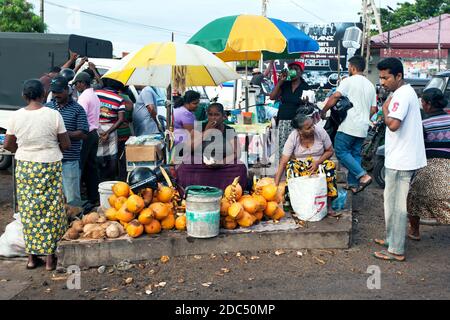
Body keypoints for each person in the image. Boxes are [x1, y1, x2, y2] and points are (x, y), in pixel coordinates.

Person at [4, 79, 71, 270]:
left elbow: (8, 144)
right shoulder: (53, 114)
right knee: (51, 210)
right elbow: (66, 144)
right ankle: (50, 260)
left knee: (29, 211)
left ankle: (31, 259)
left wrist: (26, 148)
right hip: (49, 164)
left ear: (24, 96)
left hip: (26, 166)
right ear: (43, 95)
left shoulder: (16, 116)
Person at [373, 57, 427, 262]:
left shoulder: (402, 95)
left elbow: (393, 124)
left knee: (397, 206)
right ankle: (391, 239)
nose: (382, 82)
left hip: (401, 160)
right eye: (380, 78)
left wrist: (385, 111)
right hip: (398, 157)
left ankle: (396, 249)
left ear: (398, 76)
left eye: (385, 78)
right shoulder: (401, 92)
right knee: (390, 202)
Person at [321, 56, 376, 194]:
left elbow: (335, 96)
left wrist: (324, 110)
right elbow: (374, 109)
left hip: (349, 125)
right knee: (355, 153)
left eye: (349, 67)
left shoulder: (348, 81)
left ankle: (363, 175)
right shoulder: (370, 85)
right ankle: (353, 184)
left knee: (340, 151)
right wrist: (364, 119)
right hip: (363, 126)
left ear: (352, 67)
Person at [274, 107, 339, 217]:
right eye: (308, 128)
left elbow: (330, 151)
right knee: (290, 166)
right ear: (300, 131)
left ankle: (328, 205)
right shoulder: (293, 137)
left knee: (330, 166)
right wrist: (275, 185)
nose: (313, 128)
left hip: (319, 164)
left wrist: (317, 163)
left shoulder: (320, 132)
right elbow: (284, 161)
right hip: (302, 167)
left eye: (312, 125)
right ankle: (294, 203)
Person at [407, 88, 450, 239]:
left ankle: (414, 230)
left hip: (431, 165)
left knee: (412, 195)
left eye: (423, 102)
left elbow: (417, 147)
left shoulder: (423, 124)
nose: (422, 104)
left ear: (428, 104)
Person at [175, 103, 247, 192]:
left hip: (222, 164)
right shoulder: (199, 127)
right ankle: (189, 194)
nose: (213, 118)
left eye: (217, 115)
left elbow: (237, 153)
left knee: (240, 167)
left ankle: (228, 193)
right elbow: (189, 148)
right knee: (184, 168)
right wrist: (206, 132)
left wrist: (221, 163)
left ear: (223, 117)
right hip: (200, 164)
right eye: (210, 115)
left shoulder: (229, 130)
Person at [46, 76, 89, 206]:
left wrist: (63, 134)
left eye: (59, 92)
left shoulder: (77, 109)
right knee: (52, 197)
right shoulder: (47, 108)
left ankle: (74, 222)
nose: (56, 95)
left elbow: (83, 133)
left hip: (69, 160)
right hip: (50, 160)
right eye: (54, 92)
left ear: (67, 90)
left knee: (71, 198)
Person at [269, 61, 310, 160]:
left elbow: (310, 105)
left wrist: (306, 102)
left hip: (298, 123)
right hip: (283, 120)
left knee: (297, 149)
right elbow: (272, 97)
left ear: (301, 72)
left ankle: (295, 170)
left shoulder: (305, 86)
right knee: (283, 149)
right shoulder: (285, 84)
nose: (293, 71)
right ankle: (283, 171)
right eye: (291, 69)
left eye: (296, 69)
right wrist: (280, 81)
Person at [73, 71, 101, 205]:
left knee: (80, 166)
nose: (75, 87)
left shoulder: (84, 97)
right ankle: (94, 196)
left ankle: (79, 198)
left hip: (85, 134)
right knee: (91, 166)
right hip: (94, 133)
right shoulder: (94, 95)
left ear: (82, 83)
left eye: (76, 84)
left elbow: (80, 116)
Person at [95, 78, 126, 181]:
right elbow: (121, 119)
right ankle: (109, 179)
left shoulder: (96, 93)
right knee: (112, 155)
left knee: (97, 154)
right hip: (111, 128)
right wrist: (107, 132)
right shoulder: (119, 99)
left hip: (96, 127)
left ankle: (98, 180)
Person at [117, 86, 134, 181]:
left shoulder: (114, 98)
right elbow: (130, 118)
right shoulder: (128, 99)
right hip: (126, 132)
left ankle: (117, 179)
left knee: (115, 159)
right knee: (124, 159)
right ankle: (124, 179)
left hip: (116, 132)